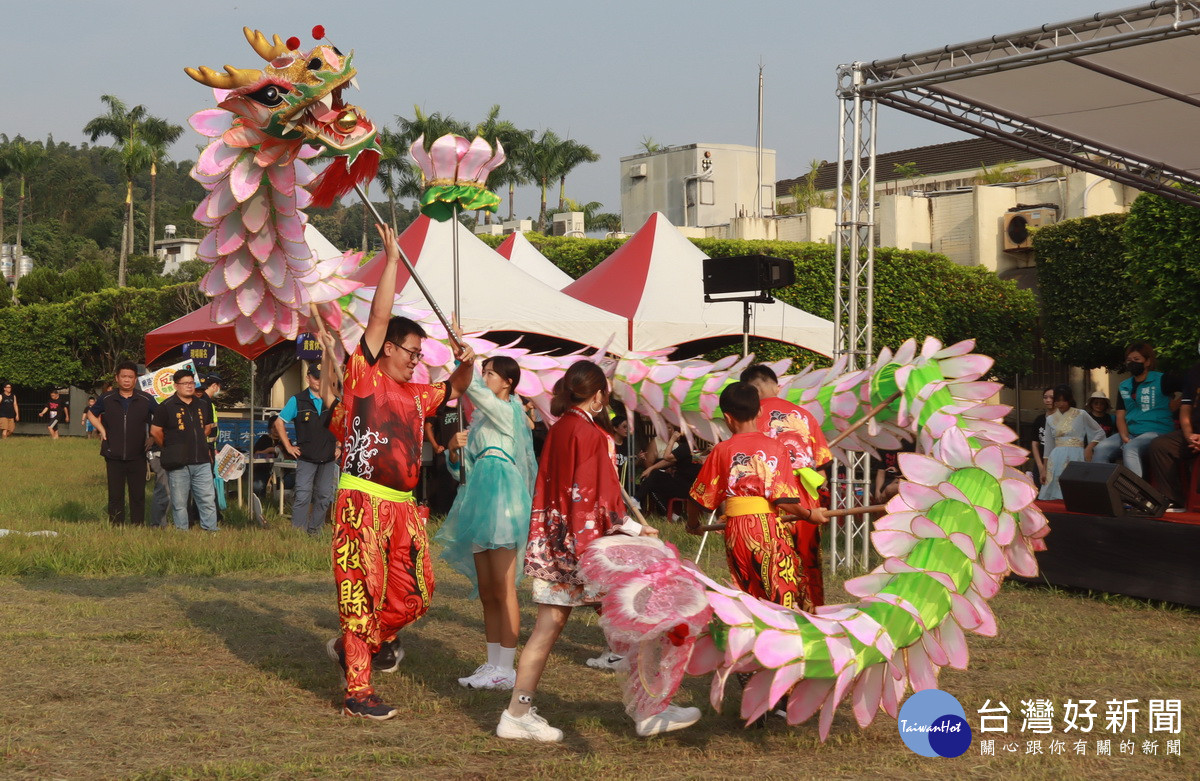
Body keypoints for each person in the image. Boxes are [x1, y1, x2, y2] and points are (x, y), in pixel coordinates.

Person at [497, 359, 699, 743]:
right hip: (589, 550)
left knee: (547, 628)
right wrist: (635, 531)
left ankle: (517, 712)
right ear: (600, 395)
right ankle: (650, 708)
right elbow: (598, 501)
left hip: (554, 544)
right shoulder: (593, 436)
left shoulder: (560, 430)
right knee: (646, 617)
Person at [325, 223, 475, 721]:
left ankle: (368, 641)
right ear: (387, 348)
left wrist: (465, 360)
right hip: (361, 502)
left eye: (419, 355)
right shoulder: (363, 376)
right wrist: (391, 261)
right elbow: (381, 314)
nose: (416, 361)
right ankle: (358, 691)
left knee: (416, 595)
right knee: (359, 591)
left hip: (404, 508)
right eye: (411, 352)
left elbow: (456, 385)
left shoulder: (418, 394)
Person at [435, 356, 536, 692]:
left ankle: (507, 668)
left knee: (506, 588)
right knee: (488, 590)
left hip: (504, 505)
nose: (485, 378)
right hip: (479, 502)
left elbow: (473, 388)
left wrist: (463, 359)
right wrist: (452, 451)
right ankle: (493, 663)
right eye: (485, 372)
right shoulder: (478, 423)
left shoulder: (509, 412)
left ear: (507, 382)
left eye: (491, 374)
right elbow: (462, 471)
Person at [687, 382, 813, 610]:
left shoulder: (721, 450)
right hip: (766, 528)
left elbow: (698, 497)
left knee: (748, 592)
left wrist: (692, 524)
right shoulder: (776, 448)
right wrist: (809, 514)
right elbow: (784, 500)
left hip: (735, 531)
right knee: (781, 591)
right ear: (760, 411)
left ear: (727, 417)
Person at [741, 363, 831, 607]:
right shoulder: (804, 415)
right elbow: (822, 466)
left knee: (771, 562)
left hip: (767, 499)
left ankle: (771, 615)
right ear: (776, 387)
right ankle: (811, 614)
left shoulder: (748, 418)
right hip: (804, 497)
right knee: (807, 560)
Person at [1091, 342, 1178, 477]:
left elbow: (1190, 388)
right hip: (1132, 433)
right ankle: (1105, 492)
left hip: (1157, 432)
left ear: (1147, 361)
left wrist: (1177, 403)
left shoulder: (1162, 379)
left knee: (1132, 448)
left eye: (1136, 360)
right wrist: (1125, 437)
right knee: (1101, 448)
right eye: (1129, 360)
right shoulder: (1124, 385)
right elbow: (1120, 415)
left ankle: (1134, 494)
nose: (1132, 363)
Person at [88, 362, 158, 526]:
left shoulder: (145, 399)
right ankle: (116, 526)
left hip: (138, 454)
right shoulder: (107, 398)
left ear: (136, 379)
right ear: (117, 378)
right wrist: (101, 430)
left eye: (130, 377)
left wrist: (153, 437)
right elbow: (91, 414)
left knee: (138, 494)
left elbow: (161, 417)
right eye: (124, 376)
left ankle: (137, 526)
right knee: (115, 494)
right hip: (113, 453)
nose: (127, 380)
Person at [151, 369, 218, 532]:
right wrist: (168, 447)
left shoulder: (202, 404)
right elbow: (155, 431)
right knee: (179, 502)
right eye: (185, 383)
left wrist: (196, 441)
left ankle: (210, 530)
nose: (189, 386)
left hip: (201, 459)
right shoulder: (166, 406)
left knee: (207, 499)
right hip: (178, 462)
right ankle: (182, 531)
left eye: (191, 383)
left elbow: (208, 427)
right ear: (176, 386)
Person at [276, 365, 339, 535]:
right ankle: (298, 533)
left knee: (325, 497)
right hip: (306, 457)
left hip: (328, 457)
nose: (319, 381)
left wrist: (339, 445)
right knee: (303, 496)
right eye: (316, 377)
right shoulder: (298, 400)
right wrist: (288, 446)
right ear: (308, 378)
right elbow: (279, 422)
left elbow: (343, 424)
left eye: (323, 378)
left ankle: (314, 531)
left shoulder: (334, 401)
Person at [1038, 385, 1105, 501]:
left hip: (1077, 454)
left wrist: (1089, 447)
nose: (1061, 403)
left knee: (1076, 488)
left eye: (1064, 400)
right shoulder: (1050, 419)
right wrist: (1044, 469)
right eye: (1058, 400)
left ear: (1069, 400)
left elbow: (1099, 432)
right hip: (1056, 456)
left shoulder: (1081, 414)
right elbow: (1048, 445)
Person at [1149, 363, 1200, 512]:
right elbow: (1185, 408)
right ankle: (1173, 499)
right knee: (1160, 445)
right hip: (1194, 433)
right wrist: (1189, 436)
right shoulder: (1194, 372)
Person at [1029, 387, 1054, 486]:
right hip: (1040, 462)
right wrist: (1040, 466)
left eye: (1052, 397)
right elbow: (1035, 444)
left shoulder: (1062, 420)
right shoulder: (1039, 419)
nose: (1048, 400)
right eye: (1045, 397)